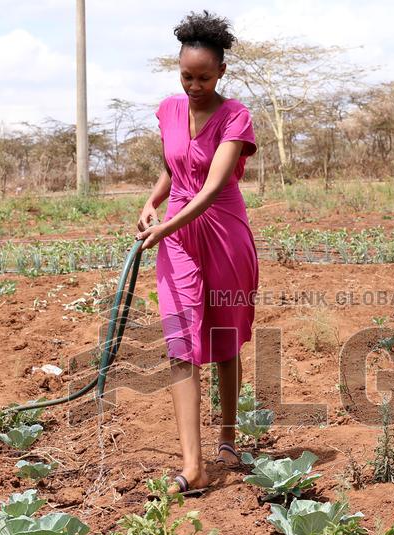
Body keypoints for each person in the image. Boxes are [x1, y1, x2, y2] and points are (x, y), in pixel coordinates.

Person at [135, 10, 259, 496]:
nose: (194, 85)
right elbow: (177, 166)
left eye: (204, 77)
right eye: (187, 76)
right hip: (179, 239)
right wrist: (151, 202)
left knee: (225, 338)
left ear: (222, 72)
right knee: (180, 343)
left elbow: (210, 187)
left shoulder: (236, 116)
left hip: (223, 231)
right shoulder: (168, 109)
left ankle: (227, 440)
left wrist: (167, 223)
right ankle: (193, 466)